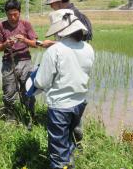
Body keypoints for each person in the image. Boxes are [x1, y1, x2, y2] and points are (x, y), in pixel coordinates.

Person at [34, 9, 94, 169]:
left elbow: (41, 81)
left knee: (58, 151)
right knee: (69, 141)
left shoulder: (54, 51)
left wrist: (34, 80)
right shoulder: (88, 48)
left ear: (60, 31)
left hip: (60, 106)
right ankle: (70, 164)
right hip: (80, 103)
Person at [0, 0, 38, 126]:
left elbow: (35, 44)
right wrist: (6, 44)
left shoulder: (26, 25)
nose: (13, 17)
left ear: (19, 12)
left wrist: (24, 40)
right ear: (6, 14)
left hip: (25, 61)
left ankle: (30, 118)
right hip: (9, 62)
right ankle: (11, 119)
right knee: (9, 92)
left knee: (28, 91)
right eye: (9, 15)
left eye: (15, 14)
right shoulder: (1, 26)